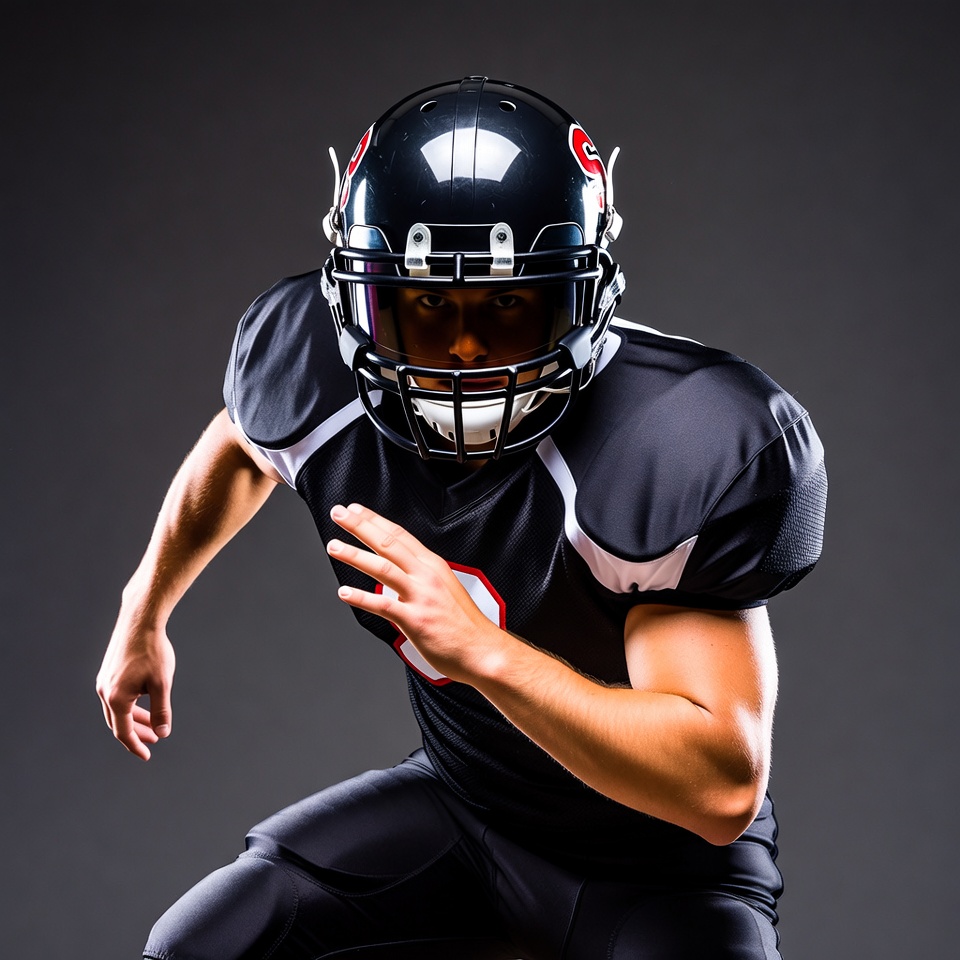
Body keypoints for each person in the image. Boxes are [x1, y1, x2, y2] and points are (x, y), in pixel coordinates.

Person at [96, 76, 826, 960]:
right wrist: (144, 610)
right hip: (467, 807)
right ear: (363, 299)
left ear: (579, 298)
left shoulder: (669, 443)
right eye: (429, 304)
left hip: (661, 871)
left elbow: (718, 788)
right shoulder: (319, 372)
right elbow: (244, 440)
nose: (467, 348)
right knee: (202, 946)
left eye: (507, 304)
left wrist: (482, 651)